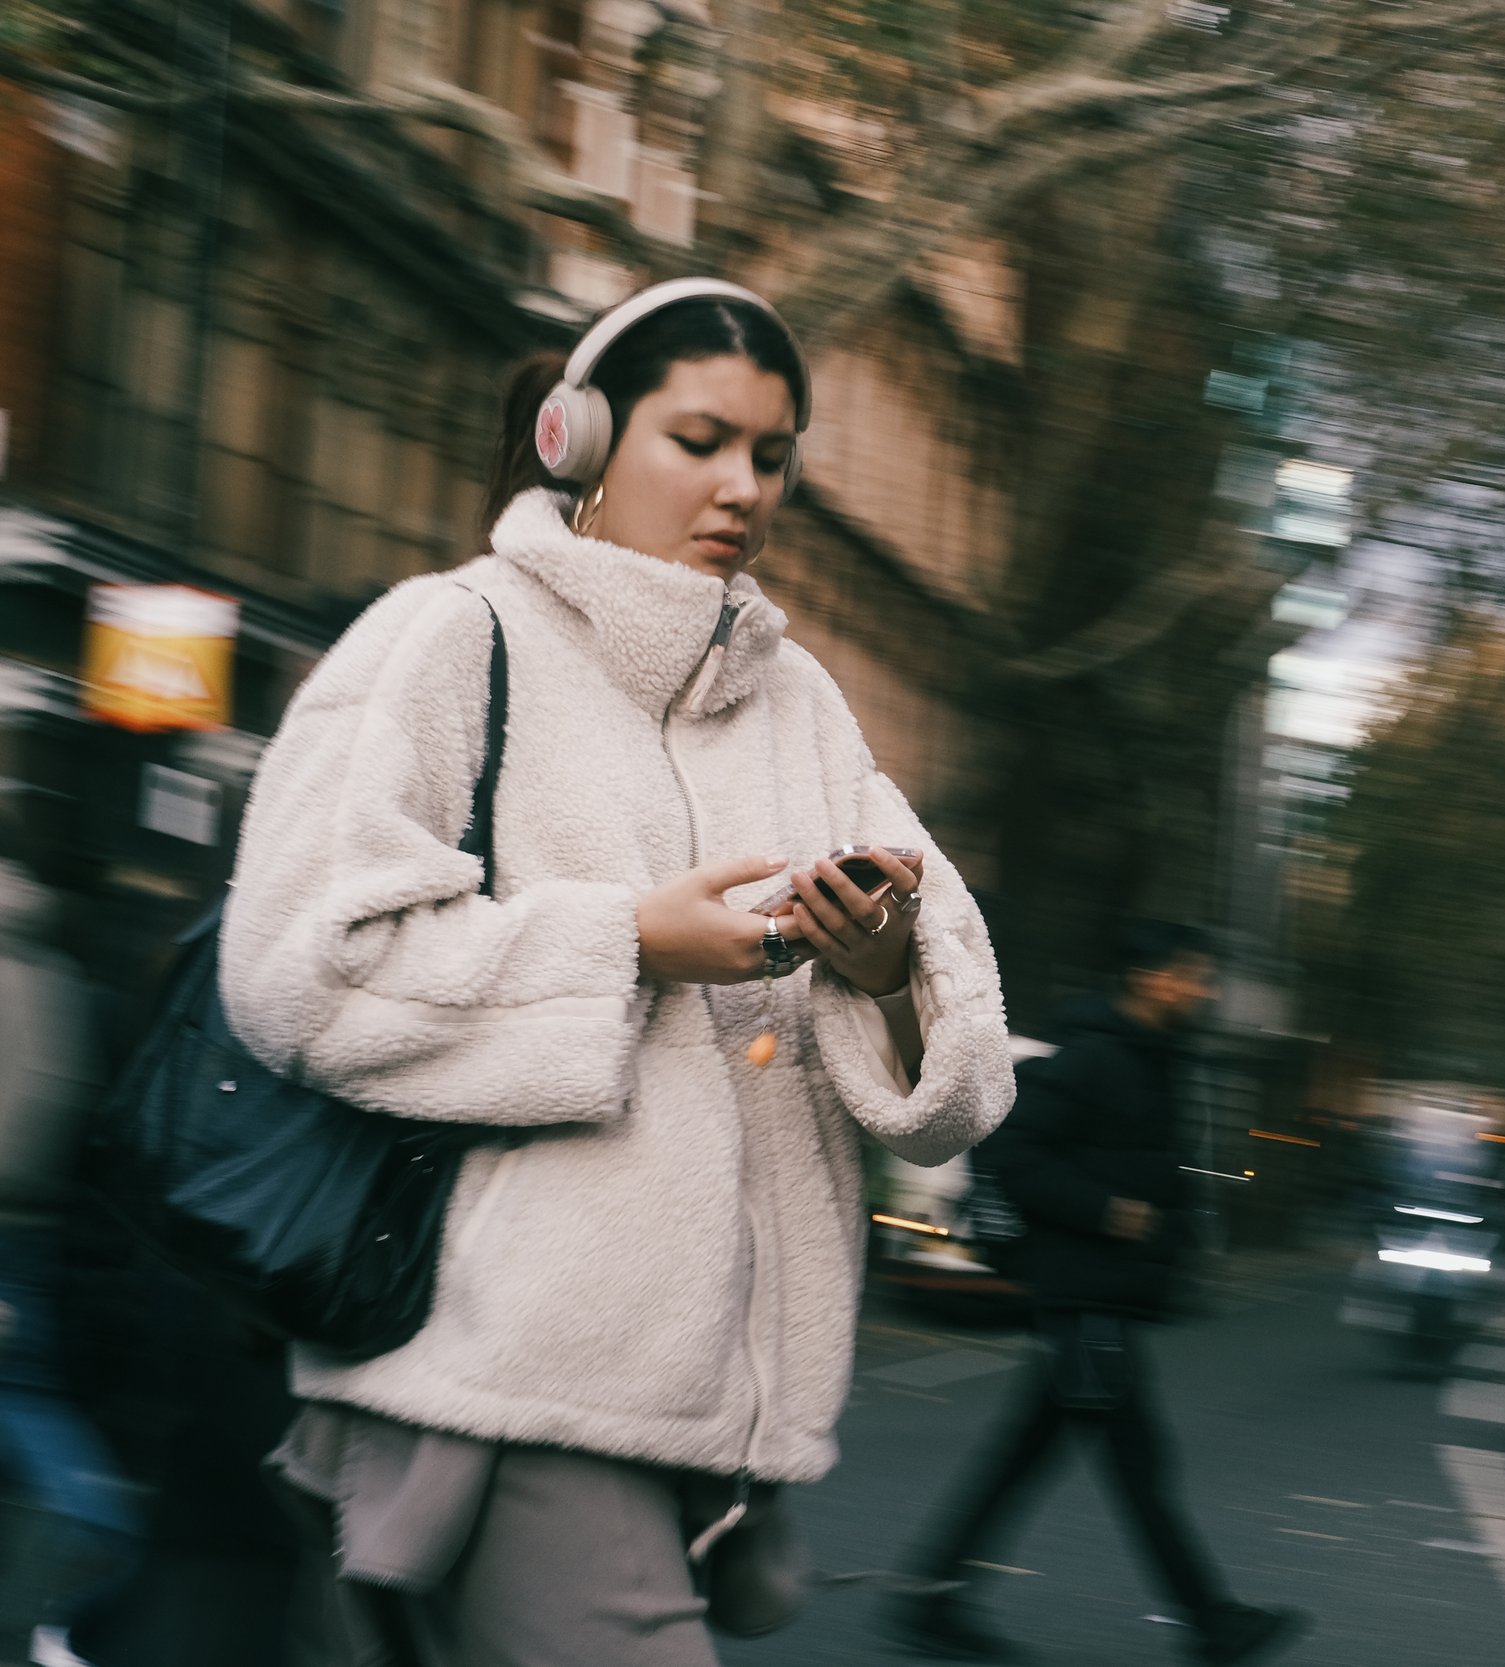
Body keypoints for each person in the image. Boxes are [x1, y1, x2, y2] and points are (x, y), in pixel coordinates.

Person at [218, 277, 1016, 1666]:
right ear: (575, 437)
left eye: (769, 456)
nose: (741, 487)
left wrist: (886, 974)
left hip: (713, 1391)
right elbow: (302, 970)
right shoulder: (447, 637)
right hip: (505, 1365)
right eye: (698, 439)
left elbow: (955, 1091)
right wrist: (629, 940)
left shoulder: (802, 701)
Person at [883, 922, 1305, 1666]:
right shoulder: (1099, 1057)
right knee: (1138, 1465)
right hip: (1083, 1295)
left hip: (1095, 1297)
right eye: (1189, 974)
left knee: (1029, 1453)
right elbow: (1012, 1151)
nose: (1200, 988)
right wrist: (1107, 1210)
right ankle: (1211, 1622)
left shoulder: (1148, 1056)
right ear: (1146, 977)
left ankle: (930, 1595)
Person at [0, 803, 138, 1666]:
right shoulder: (48, 963)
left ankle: (90, 1522)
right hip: (25, 1226)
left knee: (14, 1403)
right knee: (20, 1391)